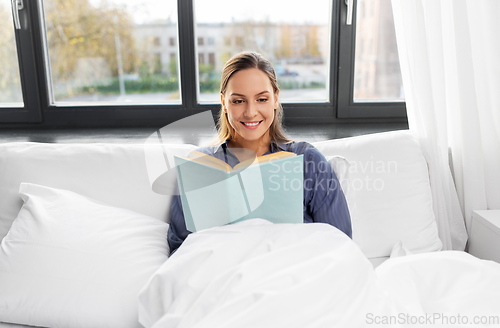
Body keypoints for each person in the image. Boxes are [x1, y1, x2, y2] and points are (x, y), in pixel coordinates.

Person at [167, 51, 351, 255]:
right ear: (224, 103)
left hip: (292, 273)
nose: (251, 112)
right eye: (238, 101)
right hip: (223, 275)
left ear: (275, 98)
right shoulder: (199, 165)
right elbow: (179, 249)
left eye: (261, 99)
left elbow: (340, 243)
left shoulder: (308, 161)